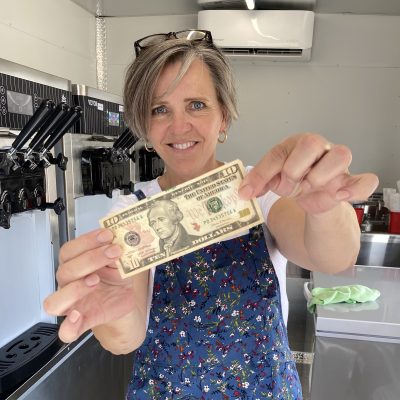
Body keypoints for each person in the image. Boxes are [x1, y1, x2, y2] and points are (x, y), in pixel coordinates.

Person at [44, 29, 378, 399]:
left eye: (197, 105)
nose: (179, 125)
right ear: (145, 126)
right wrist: (110, 306)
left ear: (224, 117)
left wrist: (325, 208)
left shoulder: (260, 191)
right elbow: (126, 336)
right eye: (160, 110)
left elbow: (331, 255)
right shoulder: (132, 212)